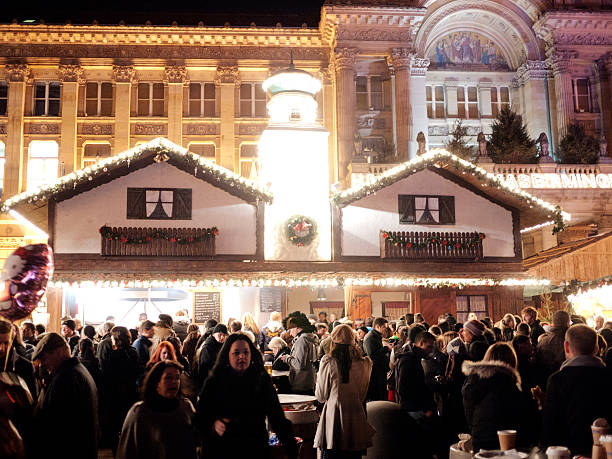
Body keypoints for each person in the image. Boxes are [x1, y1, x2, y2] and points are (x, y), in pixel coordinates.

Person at [196, 333, 297, 458]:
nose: (242, 356)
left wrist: (290, 445)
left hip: (254, 447)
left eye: (246, 352)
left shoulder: (261, 380)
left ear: (251, 354)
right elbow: (200, 415)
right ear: (228, 355)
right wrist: (214, 424)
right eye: (236, 353)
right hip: (223, 448)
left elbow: (276, 416)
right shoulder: (215, 381)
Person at [541, 324, 612, 456]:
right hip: (605, 452)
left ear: (566, 347)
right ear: (596, 349)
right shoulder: (608, 377)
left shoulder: (558, 380)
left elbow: (550, 427)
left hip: (568, 452)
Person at [30, 332, 98, 458]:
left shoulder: (66, 378)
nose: (42, 364)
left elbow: (54, 424)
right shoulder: (77, 370)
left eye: (44, 358)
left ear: (59, 352)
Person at [314, 324, 375, 458]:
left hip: (334, 414)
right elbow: (362, 394)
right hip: (356, 413)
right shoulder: (365, 362)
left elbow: (321, 396)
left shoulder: (328, 361)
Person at [117, 360, 197, 459]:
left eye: (177, 378)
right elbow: (127, 450)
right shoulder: (140, 412)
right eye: (168, 378)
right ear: (156, 382)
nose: (174, 382)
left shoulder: (185, 407)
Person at [462, 342, 526, 452]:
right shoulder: (506, 383)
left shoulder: (473, 381)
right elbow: (517, 418)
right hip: (503, 443)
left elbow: (469, 414)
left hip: (479, 440)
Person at [101, 326, 141, 454]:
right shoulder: (134, 352)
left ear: (116, 338)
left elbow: (108, 375)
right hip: (131, 393)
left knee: (114, 427)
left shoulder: (114, 354)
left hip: (116, 395)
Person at [280, 312, 318, 394]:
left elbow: (298, 365)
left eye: (290, 329)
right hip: (310, 381)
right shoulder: (311, 337)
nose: (290, 333)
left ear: (296, 327)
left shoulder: (301, 340)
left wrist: (286, 358)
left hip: (301, 383)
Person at [0, 318, 36, 399]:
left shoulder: (25, 366)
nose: (1, 348)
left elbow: (32, 400)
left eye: (6, 343)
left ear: (12, 341)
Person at [535, 310, 570, 388]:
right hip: (564, 384)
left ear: (553, 323)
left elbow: (537, 363)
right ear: (567, 323)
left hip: (545, 383)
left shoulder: (543, 341)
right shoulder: (569, 341)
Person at [363, 317, 392, 401]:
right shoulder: (370, 338)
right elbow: (372, 356)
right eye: (384, 327)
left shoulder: (376, 336)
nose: (385, 330)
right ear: (377, 326)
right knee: (377, 397)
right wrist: (386, 348)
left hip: (380, 371)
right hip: (375, 373)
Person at [196, 324, 228, 388]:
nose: (222, 337)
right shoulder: (208, 347)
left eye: (224, 335)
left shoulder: (222, 344)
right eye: (220, 334)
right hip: (209, 381)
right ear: (214, 334)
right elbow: (205, 365)